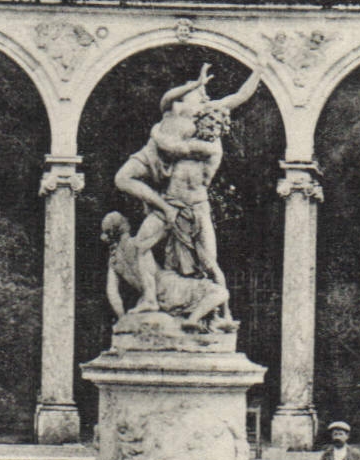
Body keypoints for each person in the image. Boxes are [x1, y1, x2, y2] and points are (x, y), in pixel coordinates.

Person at [112, 64, 261, 311]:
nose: (209, 125)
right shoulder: (185, 110)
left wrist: (261, 67)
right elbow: (167, 101)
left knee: (210, 263)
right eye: (208, 121)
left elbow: (240, 97)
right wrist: (195, 84)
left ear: (220, 128)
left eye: (215, 123)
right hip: (169, 201)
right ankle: (149, 299)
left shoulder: (209, 147)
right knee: (140, 246)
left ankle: (224, 313)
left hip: (196, 207)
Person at [101, 212, 230, 331]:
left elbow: (112, 293)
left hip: (158, 299)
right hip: (170, 286)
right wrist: (163, 232)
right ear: (124, 225)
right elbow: (143, 248)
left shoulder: (113, 261)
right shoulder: (137, 242)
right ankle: (192, 320)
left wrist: (122, 318)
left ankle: (205, 320)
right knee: (220, 292)